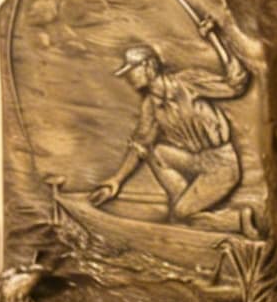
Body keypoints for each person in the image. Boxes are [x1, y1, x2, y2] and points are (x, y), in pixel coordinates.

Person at [90, 16, 256, 235]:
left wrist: (216, 40)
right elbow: (140, 144)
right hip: (195, 160)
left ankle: (235, 221)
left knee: (182, 215)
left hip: (222, 163)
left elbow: (236, 85)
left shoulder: (186, 82)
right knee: (154, 151)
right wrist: (116, 182)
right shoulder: (151, 105)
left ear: (148, 66)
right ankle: (185, 213)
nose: (128, 76)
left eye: (132, 70)